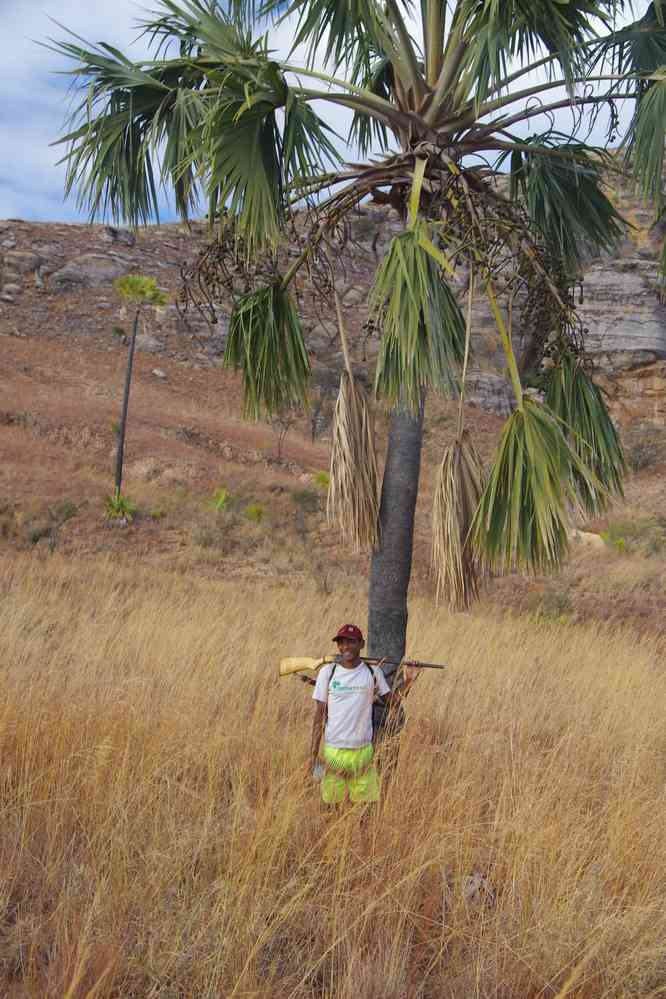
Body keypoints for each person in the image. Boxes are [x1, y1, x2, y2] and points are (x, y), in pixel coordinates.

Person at [310, 623, 420, 805]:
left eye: (351, 642)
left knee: (364, 807)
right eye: (342, 643)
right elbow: (319, 714)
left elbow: (392, 702)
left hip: (363, 752)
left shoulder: (372, 672)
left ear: (361, 644)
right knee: (331, 805)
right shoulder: (327, 673)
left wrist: (409, 680)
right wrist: (313, 755)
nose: (346, 647)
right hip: (333, 751)